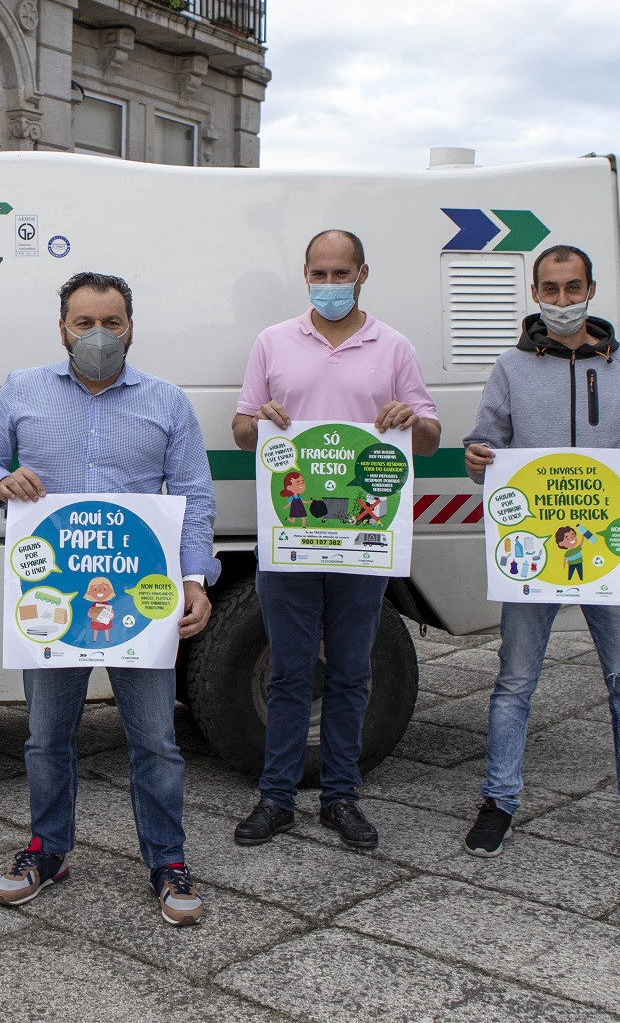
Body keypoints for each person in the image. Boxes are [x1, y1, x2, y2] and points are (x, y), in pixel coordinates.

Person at [0, 272, 218, 927]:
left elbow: (193, 496)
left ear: (132, 325)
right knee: (47, 737)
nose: (99, 335)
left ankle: (168, 860)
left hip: (142, 600)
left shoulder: (167, 402)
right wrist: (1, 482)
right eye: (84, 322)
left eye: (112, 321)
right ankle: (47, 851)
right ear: (62, 328)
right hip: (51, 600)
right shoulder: (22, 389)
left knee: (156, 741)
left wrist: (196, 579)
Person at [462, 243, 620, 875]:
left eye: (572, 288)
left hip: (609, 549)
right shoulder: (510, 367)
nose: (562, 300)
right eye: (550, 289)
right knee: (514, 683)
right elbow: (484, 448)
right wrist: (478, 457)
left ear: (591, 290)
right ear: (535, 294)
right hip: (533, 549)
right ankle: (499, 801)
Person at [230, 229, 440, 852]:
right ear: (305, 275)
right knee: (290, 672)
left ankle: (342, 797)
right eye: (318, 274)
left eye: (339, 273)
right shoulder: (272, 343)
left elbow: (427, 437)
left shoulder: (394, 346)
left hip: (363, 539)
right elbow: (243, 428)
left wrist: (413, 421)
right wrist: (257, 422)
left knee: (351, 672)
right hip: (292, 535)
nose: (328, 284)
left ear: (362, 274)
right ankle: (276, 798)